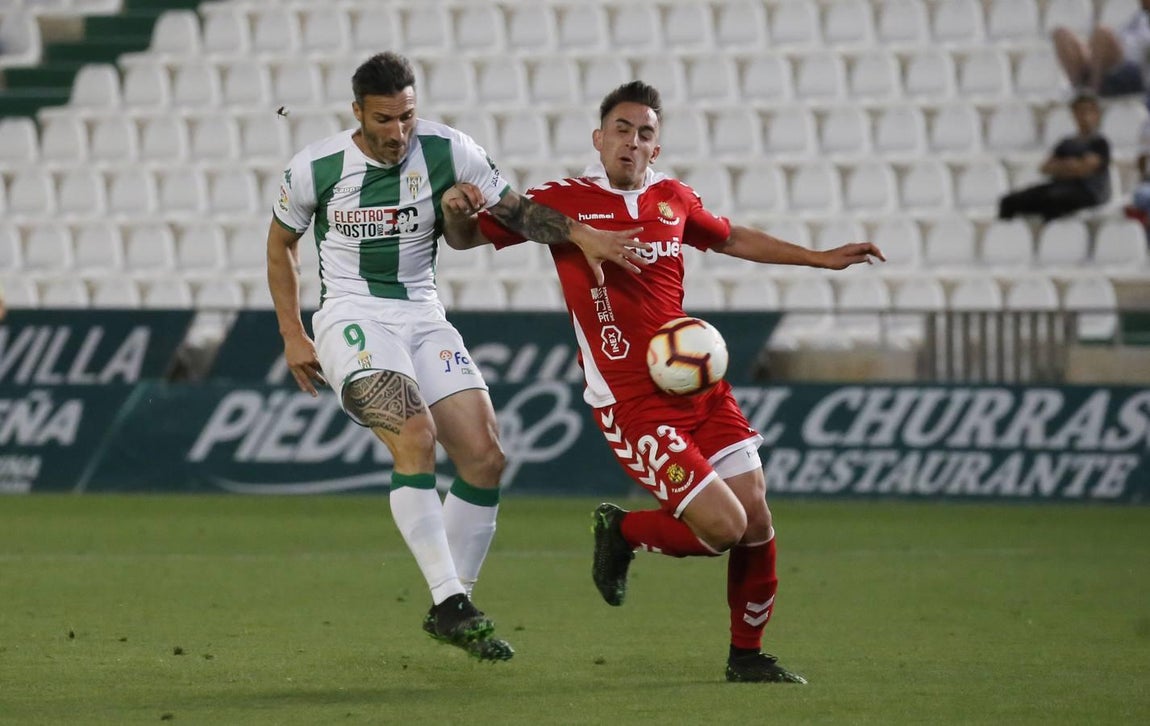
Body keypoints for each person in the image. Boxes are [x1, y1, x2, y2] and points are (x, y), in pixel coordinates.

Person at [439, 81, 884, 683]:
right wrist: (456, 213)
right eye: (621, 129)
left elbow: (730, 237)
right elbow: (470, 239)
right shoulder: (557, 202)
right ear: (599, 140)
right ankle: (619, 529)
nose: (632, 140)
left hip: (700, 387)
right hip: (632, 402)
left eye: (645, 132)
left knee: (756, 519)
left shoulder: (673, 199)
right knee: (723, 529)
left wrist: (819, 258)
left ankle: (747, 657)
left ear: (657, 146)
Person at [266, 52, 649, 662]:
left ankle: (453, 607)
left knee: (485, 456)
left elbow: (515, 213)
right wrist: (292, 331)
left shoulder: (450, 150)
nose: (398, 133)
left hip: (423, 316)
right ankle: (449, 600)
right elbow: (280, 243)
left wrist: (582, 235)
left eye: (407, 117)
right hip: (351, 318)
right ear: (357, 112)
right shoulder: (317, 165)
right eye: (385, 120)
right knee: (415, 436)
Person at [998, 93, 1111, 222]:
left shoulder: (1099, 143)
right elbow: (1045, 168)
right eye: (1079, 112)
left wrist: (1063, 168)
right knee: (1008, 202)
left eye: (1087, 111)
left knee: (1052, 201)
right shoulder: (1066, 142)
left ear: (1096, 114)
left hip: (1088, 192)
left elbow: (1085, 168)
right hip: (1060, 187)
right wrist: (1072, 166)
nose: (1084, 116)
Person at [1051, 0, 1150, 97]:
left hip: (1133, 69)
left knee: (1102, 33)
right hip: (1109, 62)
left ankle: (1094, 91)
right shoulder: (1137, 17)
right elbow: (1120, 35)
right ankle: (1079, 89)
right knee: (1061, 34)